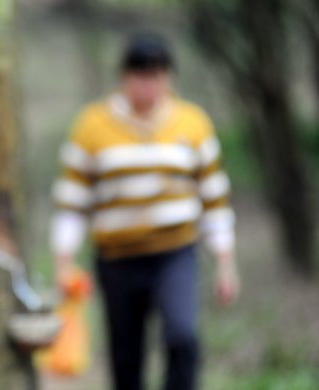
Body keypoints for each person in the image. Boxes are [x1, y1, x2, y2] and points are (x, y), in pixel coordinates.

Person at [49, 33, 239, 390]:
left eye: (156, 76)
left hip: (175, 255)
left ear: (169, 78)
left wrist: (225, 263)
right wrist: (63, 264)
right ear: (125, 77)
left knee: (183, 338)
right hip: (117, 259)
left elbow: (214, 199)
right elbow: (72, 203)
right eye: (140, 76)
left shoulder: (192, 124)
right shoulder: (92, 126)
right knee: (126, 355)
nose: (148, 85)